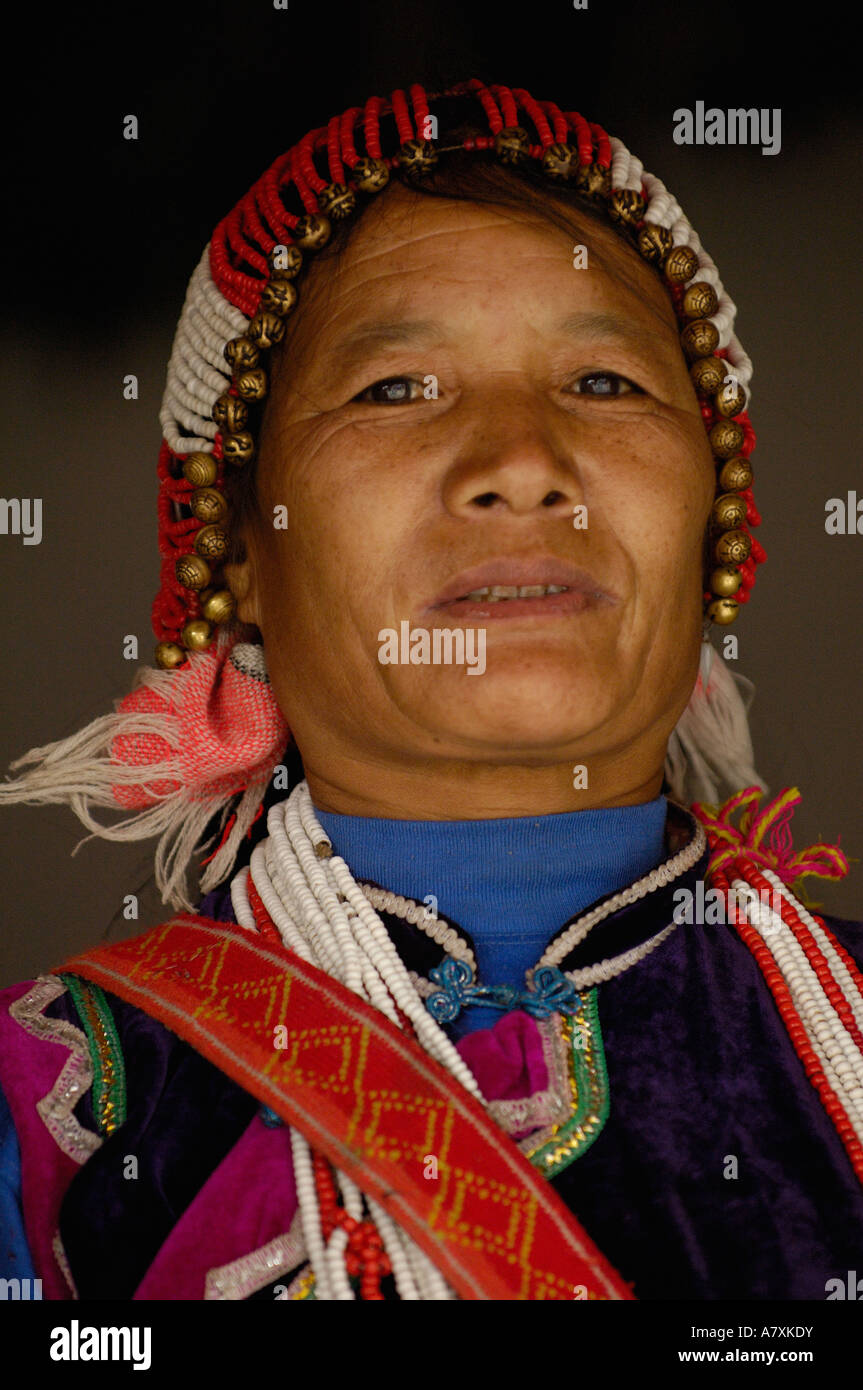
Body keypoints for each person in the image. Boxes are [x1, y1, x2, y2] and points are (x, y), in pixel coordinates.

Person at [1, 78, 861, 1302]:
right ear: (239, 544)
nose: (520, 463)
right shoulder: (50, 1115)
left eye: (605, 382)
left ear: (712, 510)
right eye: (394, 389)